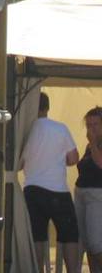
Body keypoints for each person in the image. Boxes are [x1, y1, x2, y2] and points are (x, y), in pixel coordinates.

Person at [21, 92, 81, 273]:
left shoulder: (25, 131)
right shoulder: (60, 129)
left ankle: (38, 270)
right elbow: (73, 158)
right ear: (48, 107)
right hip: (57, 190)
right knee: (69, 235)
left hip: (32, 190)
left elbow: (19, 164)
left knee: (38, 236)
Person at [75, 106, 102, 273]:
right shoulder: (91, 146)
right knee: (85, 242)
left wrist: (92, 143)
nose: (91, 128)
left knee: (95, 243)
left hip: (96, 195)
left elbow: (100, 164)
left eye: (96, 124)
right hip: (81, 194)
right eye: (88, 125)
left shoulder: (94, 145)